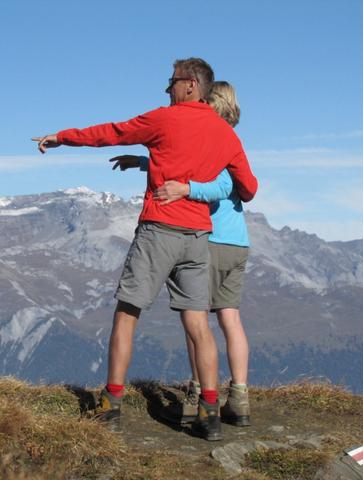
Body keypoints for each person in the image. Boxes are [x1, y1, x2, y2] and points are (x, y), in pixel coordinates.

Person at [32, 58, 258, 441]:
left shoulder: (164, 119)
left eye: (171, 82)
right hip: (199, 236)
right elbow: (248, 188)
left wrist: (61, 137)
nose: (167, 89)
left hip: (158, 229)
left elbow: (113, 132)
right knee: (199, 325)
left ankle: (111, 402)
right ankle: (209, 412)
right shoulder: (225, 134)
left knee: (127, 313)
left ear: (190, 85)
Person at [111, 81, 252, 427]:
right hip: (237, 239)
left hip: (210, 238)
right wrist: (145, 162)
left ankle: (197, 396)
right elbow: (203, 170)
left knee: (195, 319)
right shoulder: (227, 140)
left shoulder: (212, 138)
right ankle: (239, 397)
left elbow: (210, 181)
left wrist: (186, 188)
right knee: (228, 319)